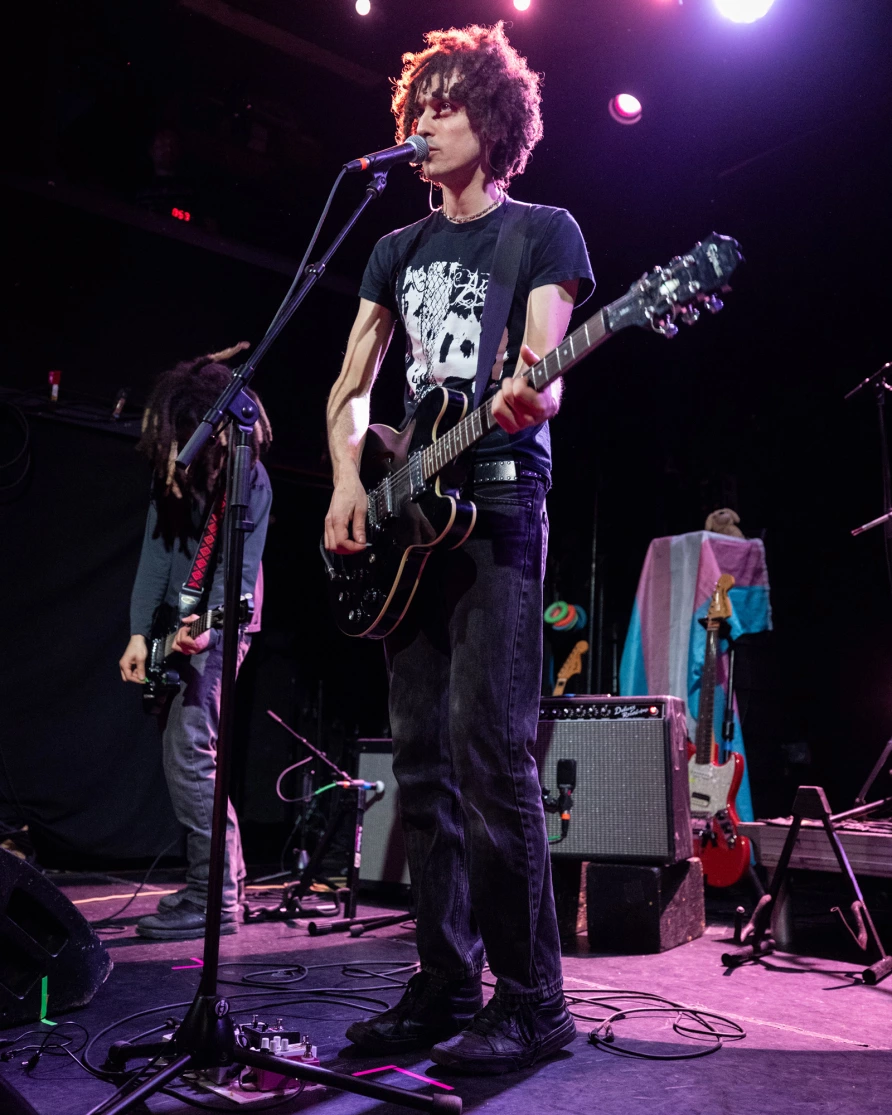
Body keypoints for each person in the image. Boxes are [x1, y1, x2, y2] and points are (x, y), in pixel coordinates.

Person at [324, 23, 593, 1074]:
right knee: (422, 765)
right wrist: (349, 483)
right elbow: (351, 390)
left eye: (446, 103)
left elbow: (545, 364)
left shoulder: (542, 230)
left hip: (497, 516)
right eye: (416, 105)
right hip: (407, 529)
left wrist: (534, 387)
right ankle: (445, 980)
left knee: (490, 759)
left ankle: (532, 999)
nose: (424, 121)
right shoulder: (393, 248)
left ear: (494, 119)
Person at [119, 344, 273, 940]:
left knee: (190, 756)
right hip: (176, 626)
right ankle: (218, 886)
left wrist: (209, 624)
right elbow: (155, 555)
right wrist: (138, 632)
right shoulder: (174, 470)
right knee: (184, 759)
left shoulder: (247, 478)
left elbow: (242, 577)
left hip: (222, 625)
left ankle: (215, 899)